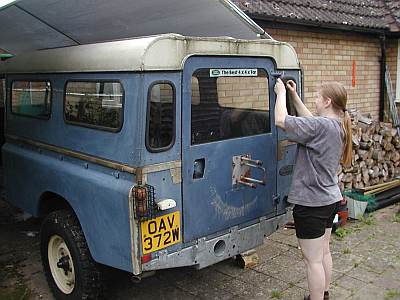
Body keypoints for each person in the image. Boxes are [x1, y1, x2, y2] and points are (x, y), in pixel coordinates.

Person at [274, 78, 352, 300]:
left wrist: (280, 93)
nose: (315, 100)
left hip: (312, 203)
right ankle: (324, 293)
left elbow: (281, 120)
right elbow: (310, 121)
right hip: (329, 200)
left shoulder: (321, 126)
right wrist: (294, 95)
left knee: (312, 260)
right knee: (323, 251)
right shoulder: (337, 125)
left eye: (318, 97)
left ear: (327, 102)